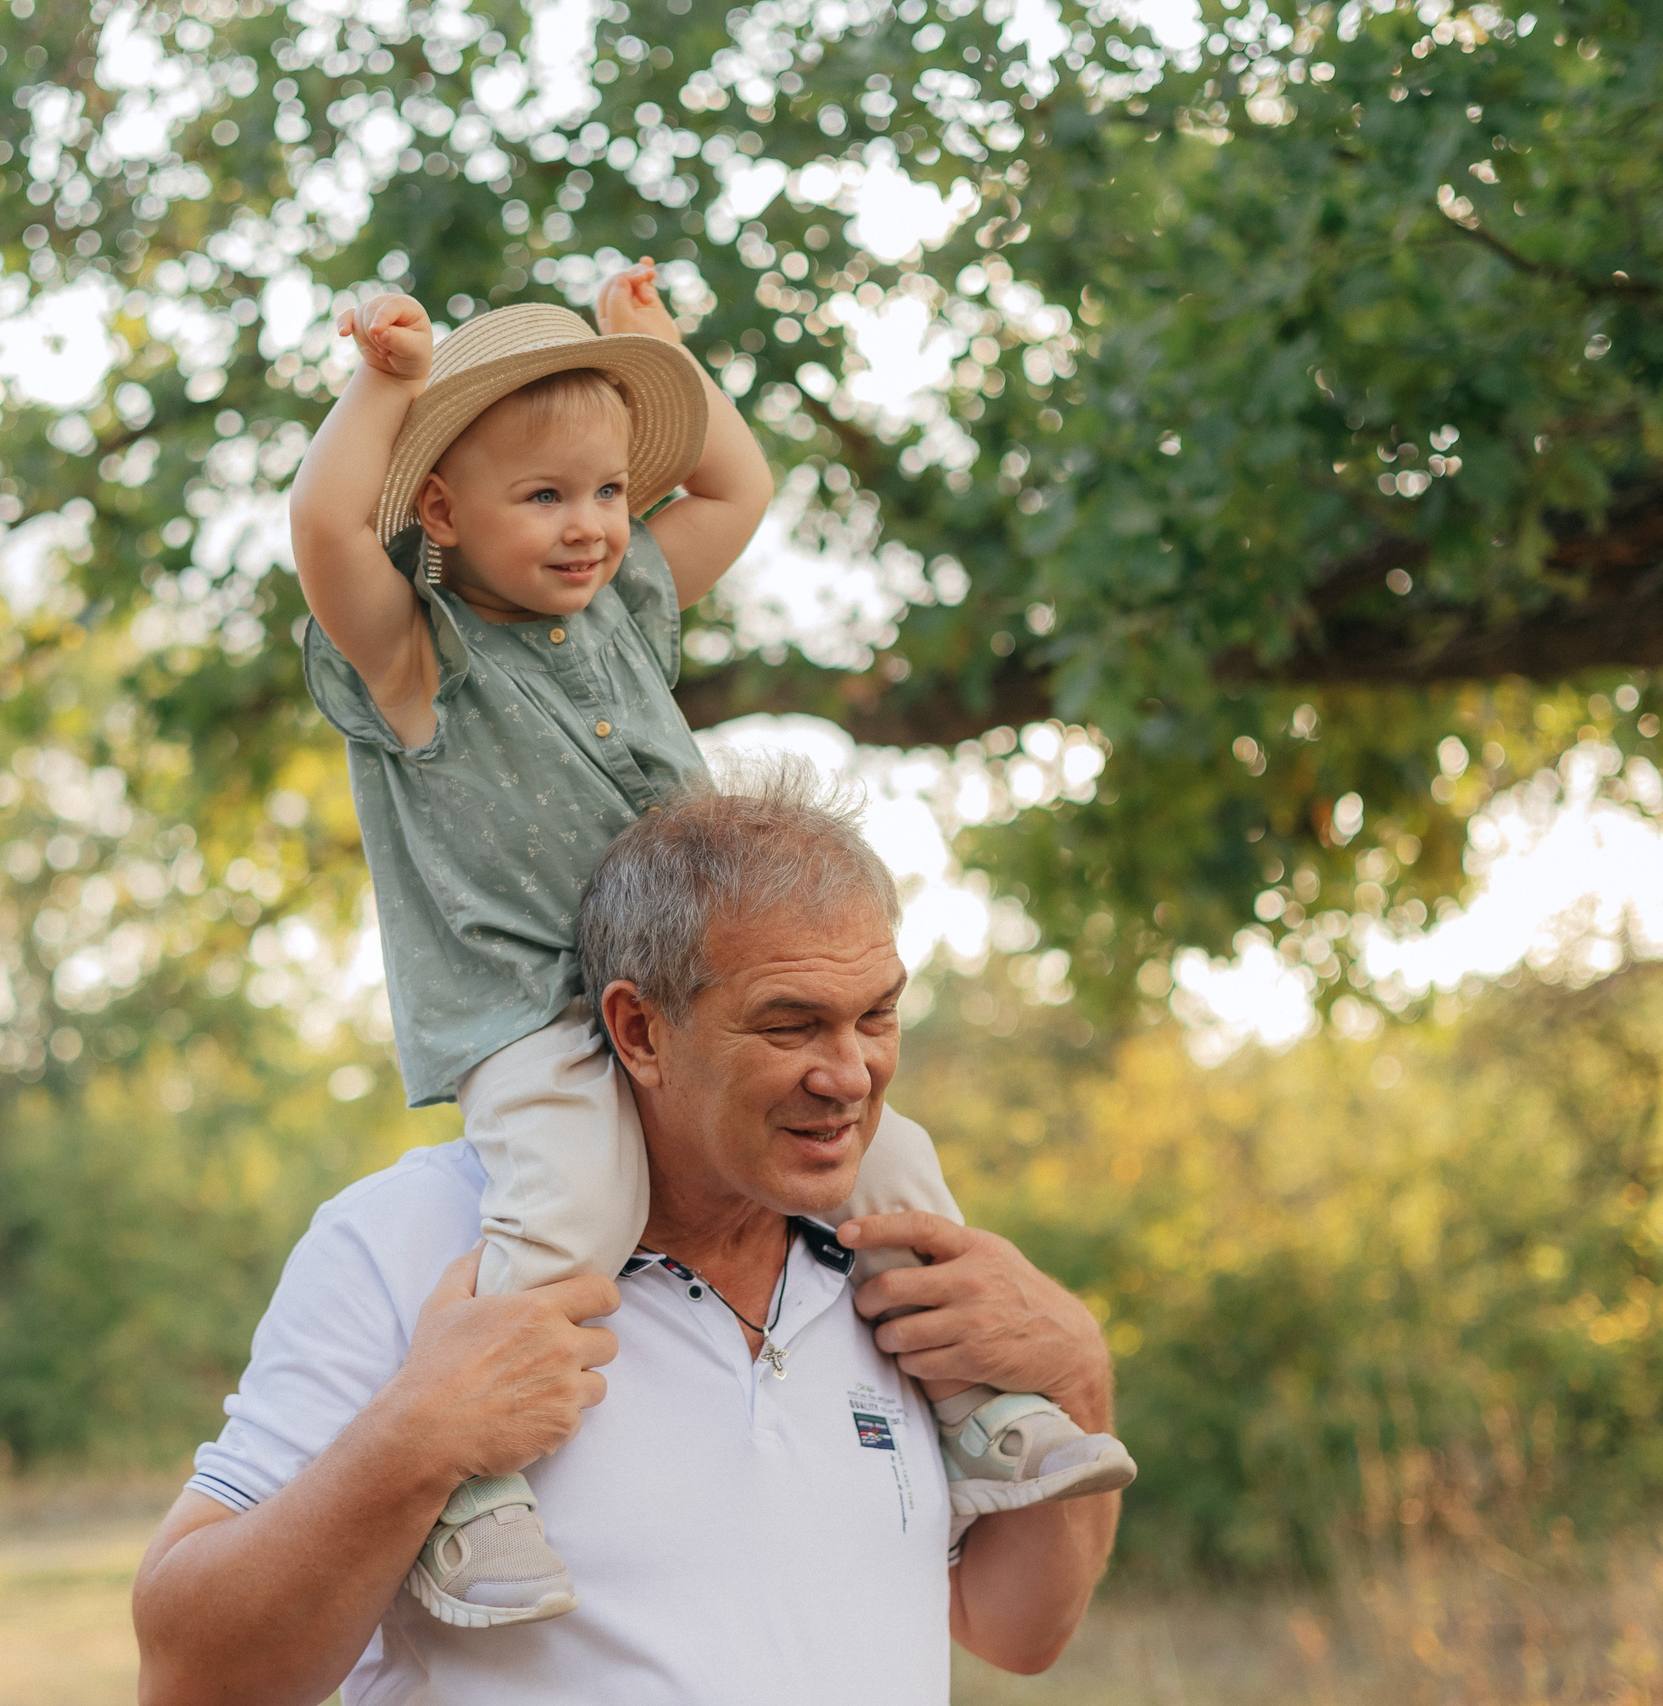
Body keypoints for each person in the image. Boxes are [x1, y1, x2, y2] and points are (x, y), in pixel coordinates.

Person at [259, 264, 1133, 1628]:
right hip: (535, 1015)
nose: (591, 524)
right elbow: (323, 525)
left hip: (695, 995)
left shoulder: (624, 613)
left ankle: (976, 1412)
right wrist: (383, 386)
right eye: (544, 496)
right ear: (439, 511)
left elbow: (738, 485)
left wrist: (660, 351)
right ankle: (476, 1489)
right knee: (574, 1200)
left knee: (897, 1166)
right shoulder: (417, 660)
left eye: (610, 490)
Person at [132, 767, 1124, 1703]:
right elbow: (188, 1678)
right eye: (789, 1026)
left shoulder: (908, 1267)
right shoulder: (406, 1238)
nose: (850, 1074)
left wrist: (1075, 1375)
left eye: (876, 1015)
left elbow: (1015, 1628)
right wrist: (417, 1438)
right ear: (640, 1030)